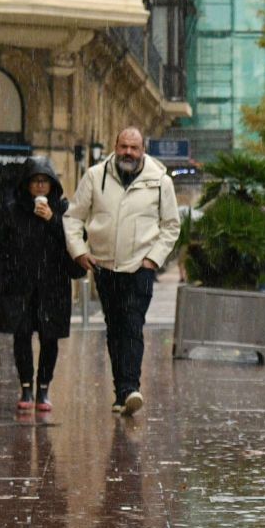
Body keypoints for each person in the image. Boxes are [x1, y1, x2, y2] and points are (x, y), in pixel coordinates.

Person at [64, 127, 181, 416]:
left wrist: (153, 259)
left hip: (140, 266)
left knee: (131, 324)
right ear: (115, 146)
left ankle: (130, 387)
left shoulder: (160, 181)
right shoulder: (94, 176)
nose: (128, 152)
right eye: (124, 146)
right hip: (104, 266)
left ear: (143, 150)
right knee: (114, 327)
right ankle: (121, 393)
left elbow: (171, 225)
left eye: (134, 147)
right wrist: (79, 251)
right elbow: (73, 217)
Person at [0, 156, 83, 413]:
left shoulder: (64, 210)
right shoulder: (12, 210)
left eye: (45, 181)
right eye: (35, 181)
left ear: (53, 184)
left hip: (53, 287)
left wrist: (52, 219)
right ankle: (25, 387)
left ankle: (44, 387)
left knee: (49, 337)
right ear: (27, 185)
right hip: (20, 287)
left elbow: (74, 242)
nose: (40, 186)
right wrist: (4, 279)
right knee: (21, 336)